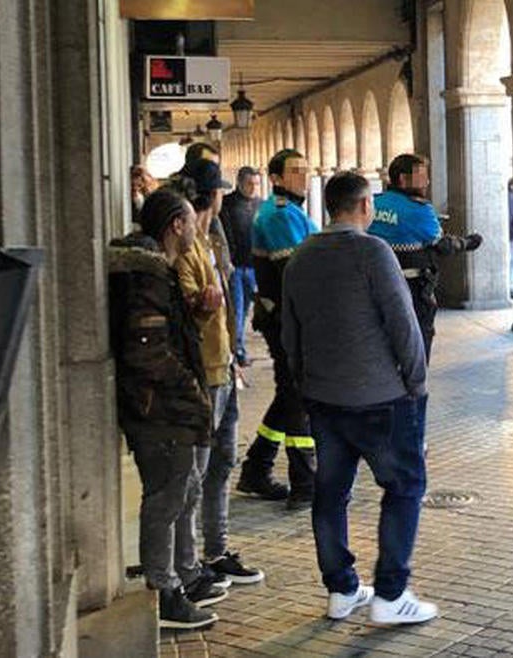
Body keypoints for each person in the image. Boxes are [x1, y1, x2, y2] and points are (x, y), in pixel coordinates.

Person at [282, 172, 437, 625]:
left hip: (324, 399)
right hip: (381, 398)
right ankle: (390, 595)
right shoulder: (374, 252)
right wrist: (417, 384)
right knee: (405, 486)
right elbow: (403, 325)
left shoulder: (301, 257)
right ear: (365, 205)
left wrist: (306, 382)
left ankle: (342, 589)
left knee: (330, 492)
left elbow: (291, 334)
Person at [107, 189, 223, 630]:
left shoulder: (159, 271)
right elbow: (147, 351)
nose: (197, 226)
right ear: (177, 224)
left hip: (162, 408)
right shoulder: (149, 275)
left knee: (183, 489)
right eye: (192, 219)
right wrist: (191, 390)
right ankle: (164, 593)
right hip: (159, 410)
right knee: (166, 497)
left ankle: (178, 577)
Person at [169, 161, 265, 585]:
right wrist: (200, 304)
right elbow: (188, 303)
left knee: (223, 461)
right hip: (204, 372)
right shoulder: (187, 248)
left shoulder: (211, 239)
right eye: (221, 190)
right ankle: (188, 565)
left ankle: (216, 550)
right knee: (196, 470)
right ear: (213, 195)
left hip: (223, 365)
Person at [236, 149, 318, 510]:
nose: (304, 175)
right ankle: (304, 483)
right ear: (276, 179)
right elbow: (298, 275)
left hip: (287, 318)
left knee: (289, 394)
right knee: (298, 397)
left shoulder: (290, 211)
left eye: (306, 169)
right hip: (288, 320)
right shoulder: (280, 215)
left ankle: (257, 467)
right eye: (295, 171)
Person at [367, 153, 482, 363]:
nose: (427, 181)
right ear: (403, 179)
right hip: (412, 288)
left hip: (374, 287)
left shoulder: (373, 203)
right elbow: (442, 245)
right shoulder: (420, 209)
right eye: (422, 176)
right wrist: (467, 242)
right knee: (417, 340)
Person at [221, 166, 263, 365]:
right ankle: (238, 351)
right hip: (236, 266)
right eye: (250, 183)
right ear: (239, 183)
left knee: (247, 309)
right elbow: (224, 236)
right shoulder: (227, 204)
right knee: (237, 310)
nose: (254, 187)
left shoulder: (261, 205)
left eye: (256, 183)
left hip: (255, 265)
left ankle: (238, 346)